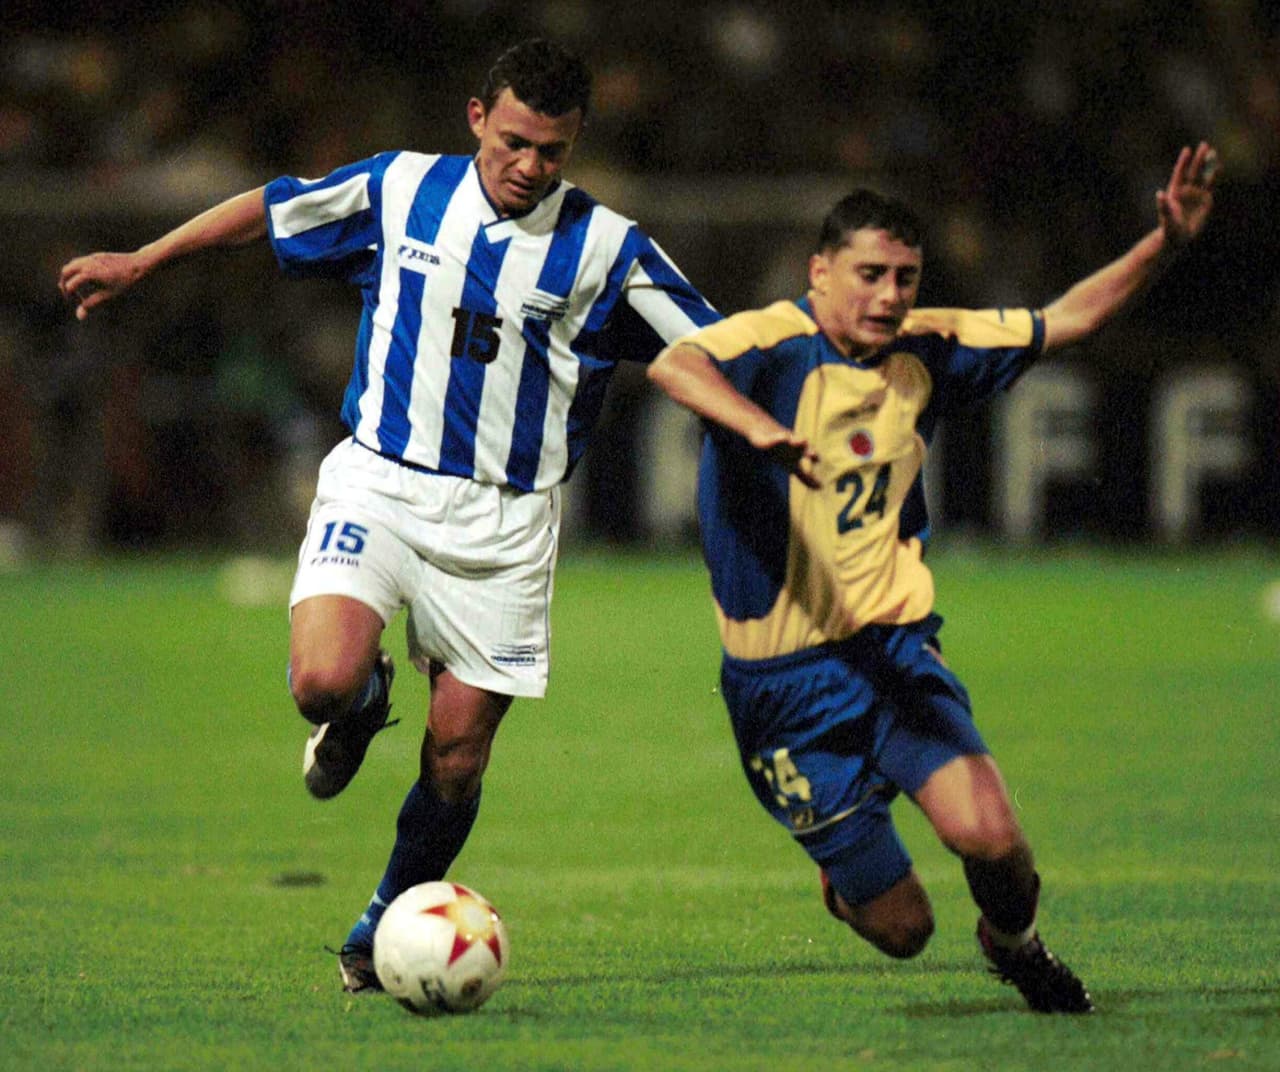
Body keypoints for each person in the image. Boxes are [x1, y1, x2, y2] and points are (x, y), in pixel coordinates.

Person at [58, 38, 719, 993]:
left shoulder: (607, 248)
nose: (531, 167)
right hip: (382, 482)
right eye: (517, 142)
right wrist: (144, 260)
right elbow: (273, 208)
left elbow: (711, 343)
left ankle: (379, 930)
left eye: (554, 151)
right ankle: (361, 705)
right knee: (321, 681)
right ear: (477, 118)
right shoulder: (401, 191)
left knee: (457, 755)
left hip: (506, 524)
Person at [646, 142, 1218, 1013]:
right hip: (781, 688)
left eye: (905, 277)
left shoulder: (932, 345)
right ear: (821, 272)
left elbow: (1069, 319)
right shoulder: (768, 342)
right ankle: (848, 882)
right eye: (869, 273)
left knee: (995, 844)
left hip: (892, 655)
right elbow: (673, 364)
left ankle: (1016, 947)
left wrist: (1164, 243)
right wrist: (756, 430)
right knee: (904, 930)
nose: (888, 296)